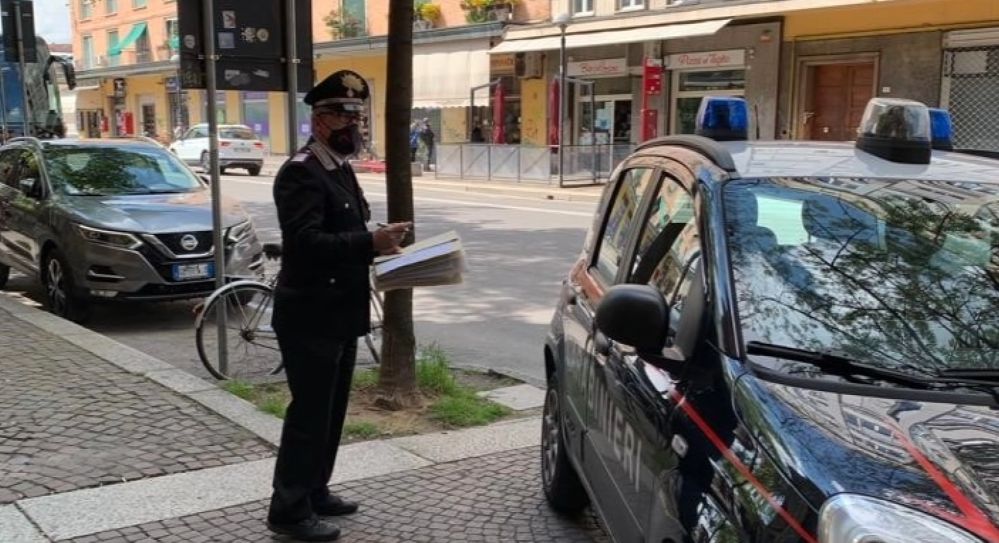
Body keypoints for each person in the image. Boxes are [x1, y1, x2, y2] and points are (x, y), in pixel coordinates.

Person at [266, 69, 411, 542]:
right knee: (309, 415)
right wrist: (369, 241)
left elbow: (345, 232)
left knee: (331, 412)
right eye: (347, 116)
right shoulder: (301, 172)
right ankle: (288, 509)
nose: (356, 125)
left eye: (359, 115)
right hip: (310, 312)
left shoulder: (339, 168)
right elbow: (305, 243)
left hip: (339, 310)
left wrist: (381, 241)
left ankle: (316, 489)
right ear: (321, 118)